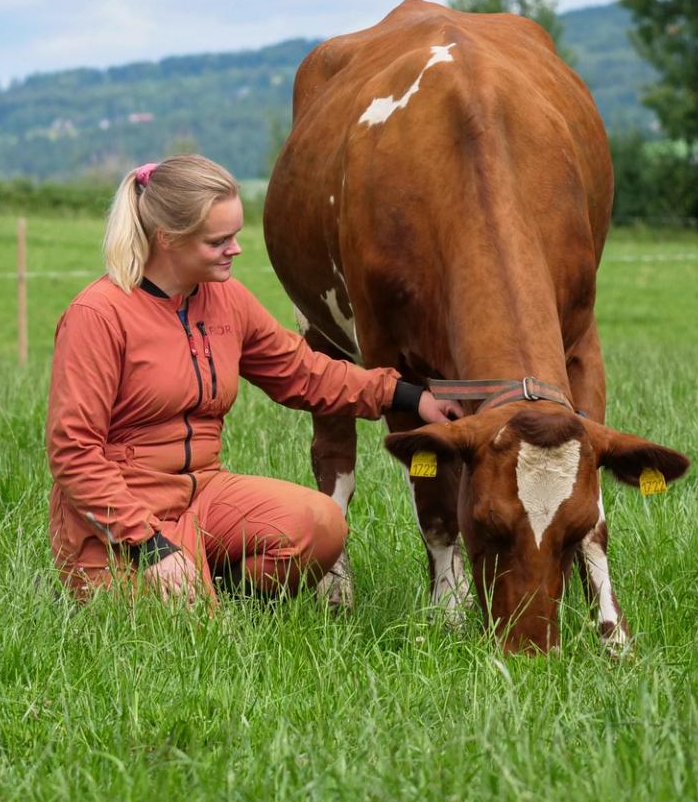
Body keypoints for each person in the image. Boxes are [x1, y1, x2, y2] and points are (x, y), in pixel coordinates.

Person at [45, 154, 459, 602]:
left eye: (236, 235)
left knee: (322, 525)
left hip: (204, 494)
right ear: (168, 239)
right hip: (121, 514)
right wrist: (150, 546)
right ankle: (127, 584)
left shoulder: (228, 300)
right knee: (178, 635)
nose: (235, 249)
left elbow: (304, 373)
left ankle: (220, 590)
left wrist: (407, 396)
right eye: (218, 241)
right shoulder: (98, 316)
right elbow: (74, 453)